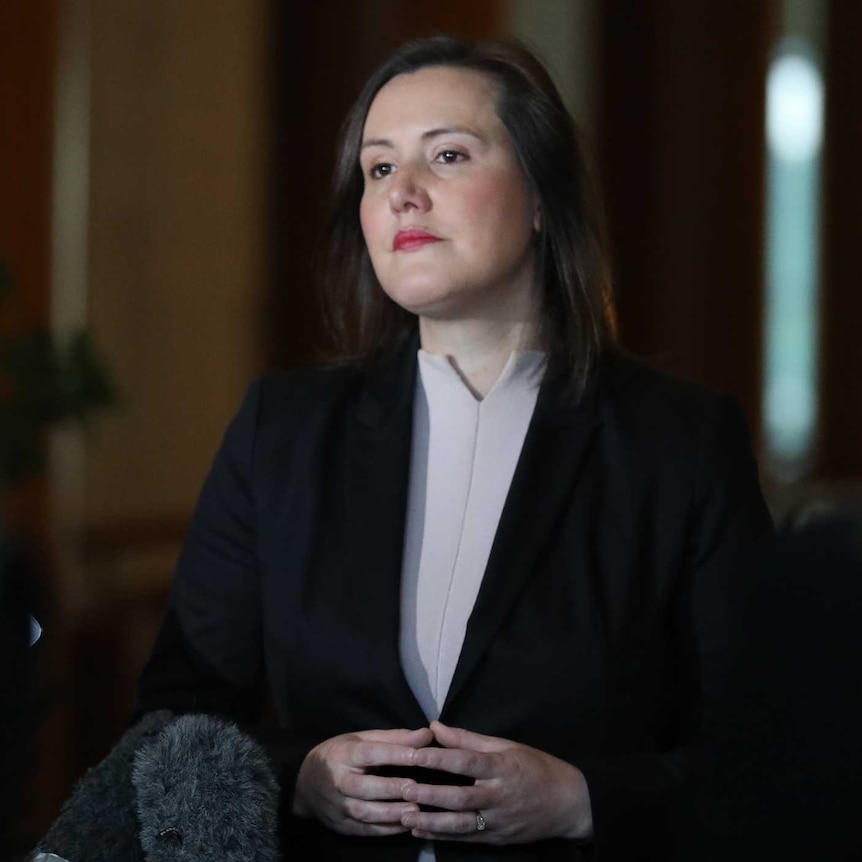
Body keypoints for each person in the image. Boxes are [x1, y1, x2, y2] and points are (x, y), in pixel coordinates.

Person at [135, 36, 772, 861]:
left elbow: (770, 755)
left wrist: (581, 800)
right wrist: (300, 778)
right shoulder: (282, 431)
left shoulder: (679, 443)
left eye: (447, 154)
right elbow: (172, 717)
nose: (404, 194)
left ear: (543, 195)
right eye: (378, 169)